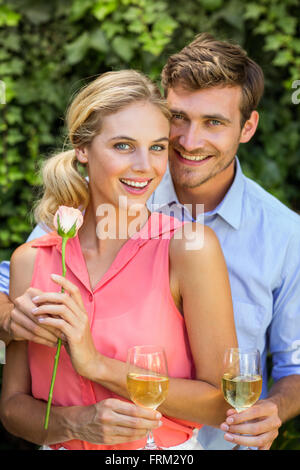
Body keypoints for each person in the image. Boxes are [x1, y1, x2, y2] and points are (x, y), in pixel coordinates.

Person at [1, 33, 296, 450]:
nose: (187, 143)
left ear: (247, 128)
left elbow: (243, 390)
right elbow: (13, 403)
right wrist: (74, 421)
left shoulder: (213, 241)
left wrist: (96, 365)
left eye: (213, 122)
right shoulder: (40, 253)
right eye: (124, 145)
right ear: (83, 149)